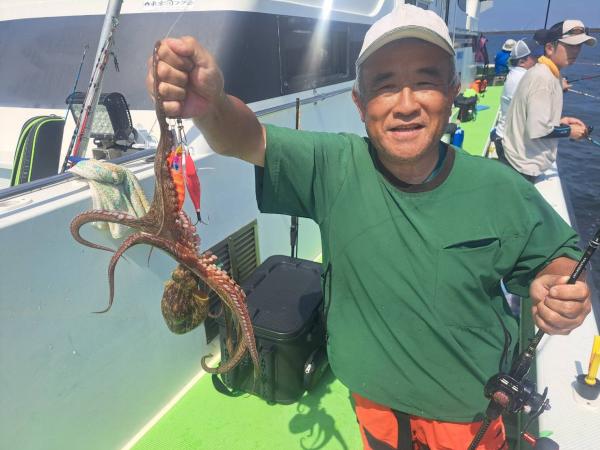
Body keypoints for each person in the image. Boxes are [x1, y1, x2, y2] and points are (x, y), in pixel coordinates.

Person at [147, 5, 592, 449]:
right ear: (360, 104)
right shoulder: (335, 166)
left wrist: (560, 293)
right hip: (373, 404)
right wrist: (212, 106)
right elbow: (247, 138)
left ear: (452, 90)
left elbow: (557, 259)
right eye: (384, 85)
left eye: (425, 81)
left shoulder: (499, 188)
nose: (406, 104)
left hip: (468, 414)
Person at [501, 20, 595, 182]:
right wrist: (569, 131)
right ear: (550, 48)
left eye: (579, 46)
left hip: (520, 158)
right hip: (522, 166)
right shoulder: (543, 79)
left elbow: (535, 118)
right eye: (570, 45)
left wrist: (560, 122)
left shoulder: (549, 72)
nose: (576, 51)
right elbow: (538, 130)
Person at [491, 38, 542, 160]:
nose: (539, 60)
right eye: (535, 57)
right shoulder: (524, 78)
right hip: (509, 142)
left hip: (504, 137)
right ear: (522, 61)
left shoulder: (515, 74)